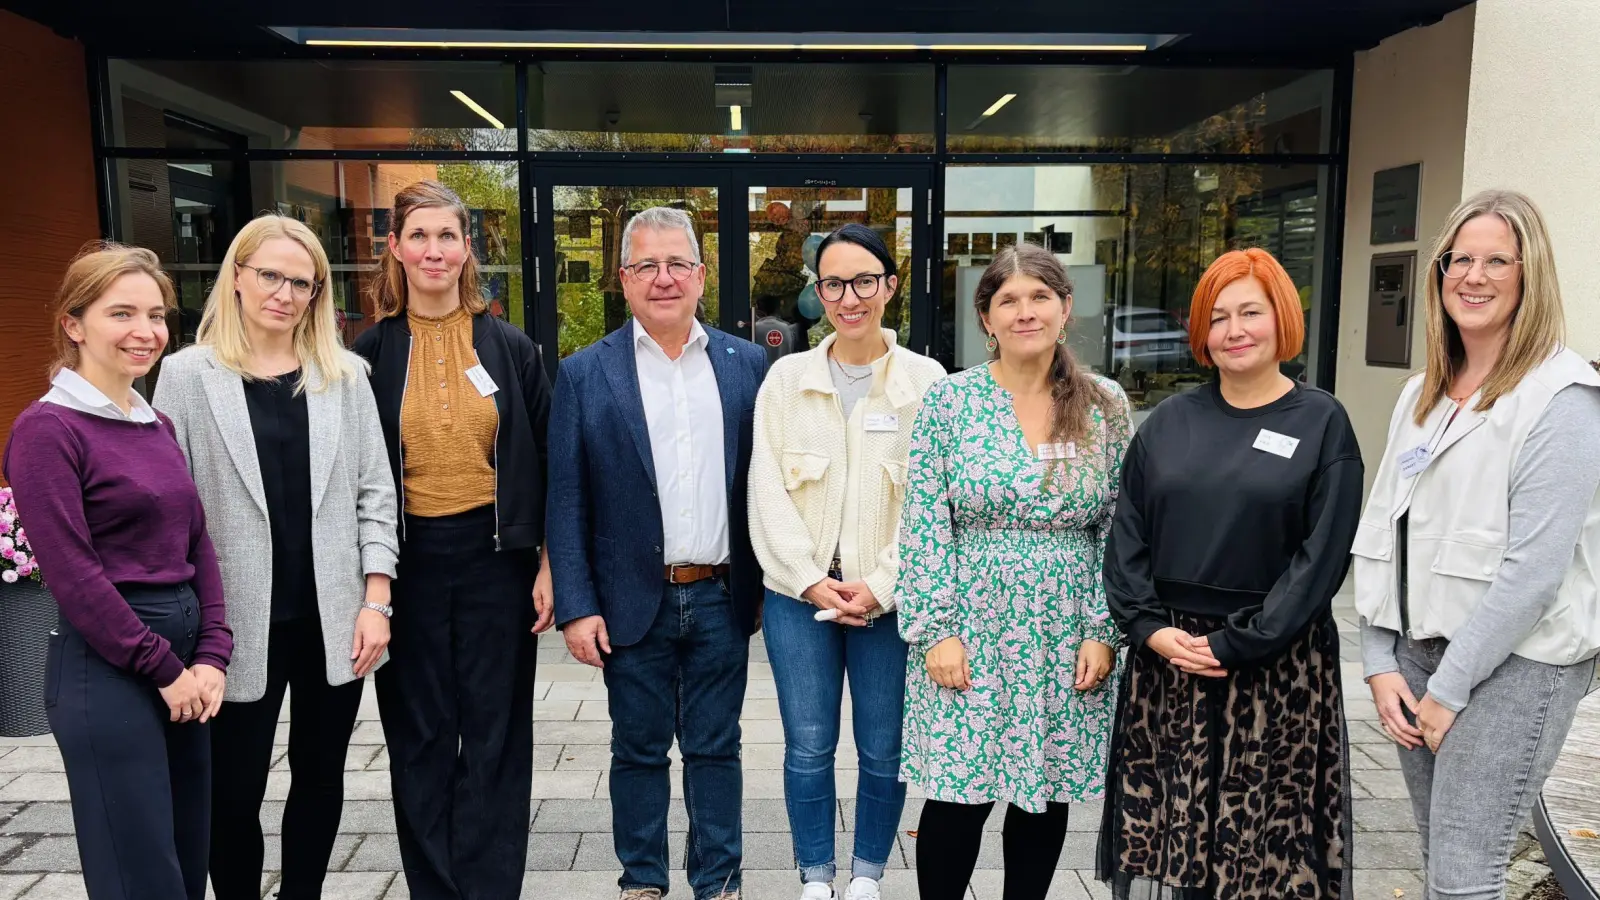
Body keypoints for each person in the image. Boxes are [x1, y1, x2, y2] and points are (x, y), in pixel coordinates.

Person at [1354, 189, 1600, 899]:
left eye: (1497, 259)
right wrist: (1378, 659)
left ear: (1531, 275)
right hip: (1416, 659)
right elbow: (1385, 531)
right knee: (1444, 862)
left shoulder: (1565, 398)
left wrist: (1451, 688)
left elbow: (1534, 575)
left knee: (1466, 873)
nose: (1474, 276)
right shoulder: (1423, 393)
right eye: (1460, 259)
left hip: (1516, 668)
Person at [1097, 247, 1363, 900]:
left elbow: (1322, 558)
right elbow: (1127, 536)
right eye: (1218, 317)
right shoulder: (1167, 424)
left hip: (1276, 663)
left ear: (1283, 320)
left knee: (1265, 853)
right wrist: (1149, 629)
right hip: (1170, 661)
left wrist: (1241, 640)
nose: (1234, 329)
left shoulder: (1322, 423)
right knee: (1180, 845)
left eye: (1251, 311)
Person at [151, 214, 399, 900]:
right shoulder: (186, 378)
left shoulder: (344, 377)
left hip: (334, 619)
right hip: (230, 626)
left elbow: (376, 494)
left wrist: (376, 599)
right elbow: (173, 507)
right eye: (271, 276)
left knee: (320, 777)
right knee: (233, 792)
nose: (284, 294)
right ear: (236, 276)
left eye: (303, 283)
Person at [547, 206, 767, 900]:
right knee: (637, 751)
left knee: (715, 749)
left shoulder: (748, 365)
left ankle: (719, 881)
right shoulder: (584, 373)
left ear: (701, 276)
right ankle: (641, 882)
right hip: (627, 600)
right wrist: (577, 607)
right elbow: (566, 497)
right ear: (623, 278)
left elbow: (767, 484)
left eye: (677, 264)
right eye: (647, 264)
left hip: (720, 595)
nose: (663, 278)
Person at [898, 243, 1129, 900]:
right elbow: (923, 519)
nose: (1025, 312)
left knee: (1044, 793)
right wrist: (935, 628)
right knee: (957, 794)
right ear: (987, 317)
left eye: (1040, 297)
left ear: (1065, 308)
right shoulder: (950, 402)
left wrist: (1101, 630)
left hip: (1065, 628)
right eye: (1009, 300)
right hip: (972, 626)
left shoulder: (1105, 405)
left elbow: (1120, 525)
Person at [3, 244, 232, 900]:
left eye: (157, 315)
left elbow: (198, 543)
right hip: (112, 672)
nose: (146, 331)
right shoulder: (47, 432)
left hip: (186, 670)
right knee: (140, 874)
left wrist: (213, 654)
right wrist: (164, 669)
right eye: (122, 313)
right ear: (74, 324)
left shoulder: (153, 422)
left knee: (187, 860)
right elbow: (74, 578)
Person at [351, 180, 555, 900]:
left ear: (468, 249)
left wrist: (548, 564)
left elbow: (549, 459)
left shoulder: (512, 348)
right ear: (397, 250)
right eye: (419, 236)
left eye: (447, 236)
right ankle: (435, 890)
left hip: (496, 561)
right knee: (420, 739)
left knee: (496, 738)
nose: (433, 250)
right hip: (407, 563)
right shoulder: (367, 356)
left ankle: (491, 888)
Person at [749, 223, 946, 900]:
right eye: (833, 282)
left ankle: (866, 873)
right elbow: (765, 491)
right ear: (817, 292)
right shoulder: (785, 380)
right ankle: (815, 873)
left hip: (887, 605)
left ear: (890, 286)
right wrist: (809, 580)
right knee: (807, 745)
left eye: (865, 280)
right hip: (797, 601)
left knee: (882, 748)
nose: (849, 296)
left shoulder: (928, 383)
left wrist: (882, 586)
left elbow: (931, 503)